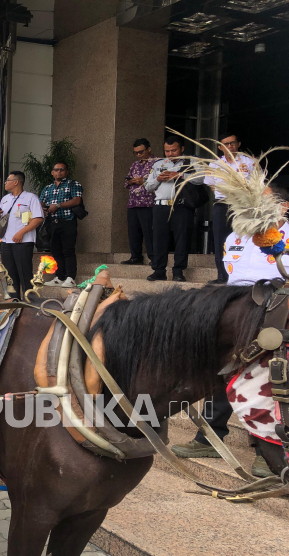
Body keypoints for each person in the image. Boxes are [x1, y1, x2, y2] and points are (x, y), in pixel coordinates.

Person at [171, 178, 289, 478]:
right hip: (235, 311)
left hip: (276, 316)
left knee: (269, 383)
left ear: (283, 206)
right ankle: (208, 438)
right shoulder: (238, 234)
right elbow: (232, 277)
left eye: (260, 199)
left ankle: (266, 450)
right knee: (224, 373)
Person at [145, 137, 203, 282]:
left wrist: (180, 175)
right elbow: (148, 186)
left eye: (173, 150)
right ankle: (159, 270)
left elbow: (202, 179)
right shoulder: (158, 164)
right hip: (161, 205)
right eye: (167, 151)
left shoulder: (191, 161)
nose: (170, 154)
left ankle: (178, 271)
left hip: (181, 205)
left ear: (182, 149)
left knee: (182, 238)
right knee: (159, 239)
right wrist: (158, 179)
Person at [205, 132, 256, 284]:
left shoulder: (250, 162)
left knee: (243, 238)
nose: (230, 146)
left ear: (238, 144)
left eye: (232, 143)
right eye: (226, 144)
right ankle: (222, 275)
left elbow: (257, 183)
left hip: (243, 205)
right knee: (221, 239)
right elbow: (211, 184)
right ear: (220, 147)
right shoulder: (215, 164)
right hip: (222, 204)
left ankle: (243, 274)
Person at [0, 171, 44, 299]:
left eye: (7, 180)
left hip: (23, 242)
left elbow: (38, 218)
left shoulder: (30, 198)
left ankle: (29, 303)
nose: (5, 183)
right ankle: (13, 303)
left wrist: (21, 232)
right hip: (6, 242)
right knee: (10, 276)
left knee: (25, 274)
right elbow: (4, 220)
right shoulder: (5, 199)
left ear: (16, 182)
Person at [39, 161, 83, 286]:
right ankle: (59, 277)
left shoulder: (73, 184)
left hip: (68, 221)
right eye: (56, 170)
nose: (59, 172)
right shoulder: (47, 188)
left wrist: (57, 206)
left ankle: (70, 277)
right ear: (52, 172)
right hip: (52, 223)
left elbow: (76, 200)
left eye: (62, 169)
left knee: (68, 250)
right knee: (55, 251)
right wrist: (41, 209)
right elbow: (41, 202)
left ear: (67, 171)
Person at [121, 138, 157, 265]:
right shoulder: (135, 164)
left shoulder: (157, 163)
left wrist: (144, 181)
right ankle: (135, 256)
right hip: (133, 202)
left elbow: (159, 181)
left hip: (148, 202)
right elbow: (126, 182)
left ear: (149, 149)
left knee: (149, 231)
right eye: (136, 152)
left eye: (141, 152)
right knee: (133, 231)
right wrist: (130, 181)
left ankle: (154, 257)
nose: (139, 155)